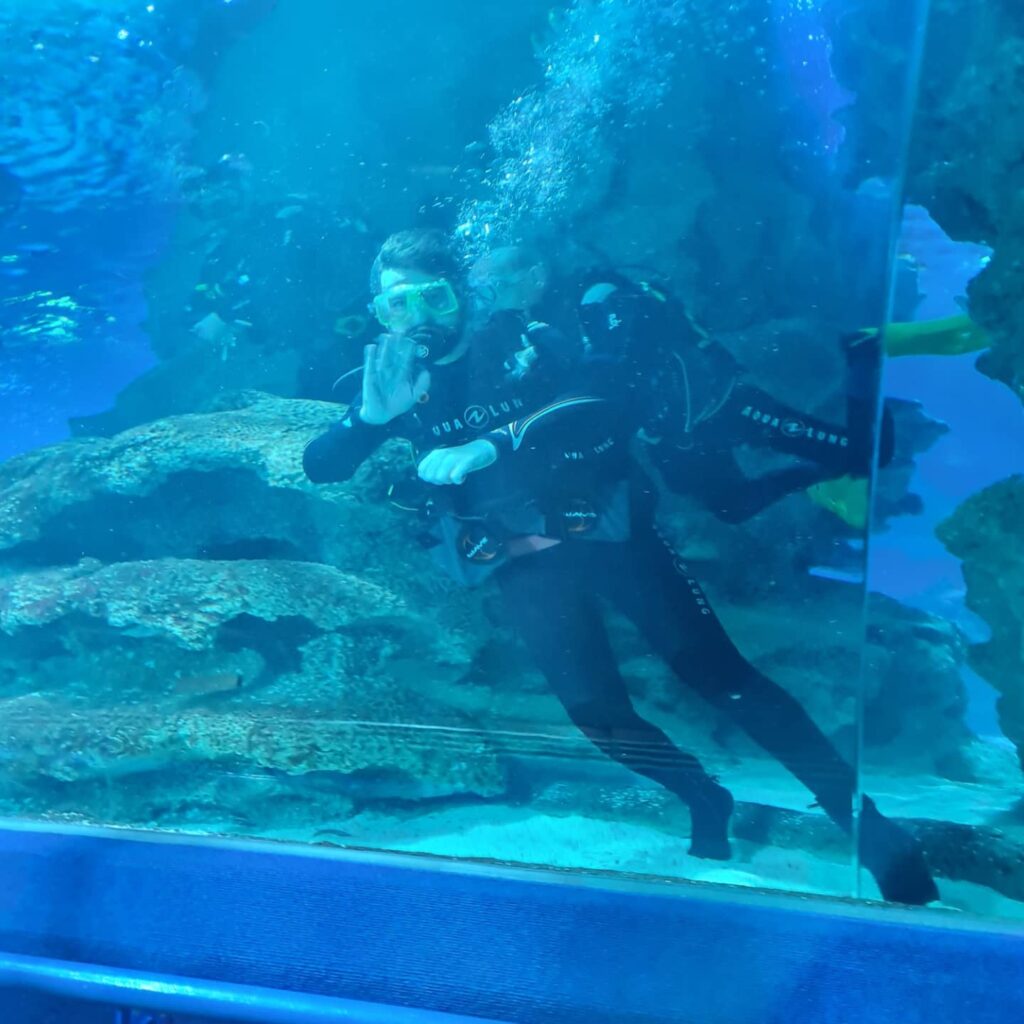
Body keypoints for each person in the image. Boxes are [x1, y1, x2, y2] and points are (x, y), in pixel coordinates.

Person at [303, 229, 939, 905]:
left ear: (463, 295)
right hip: (523, 566)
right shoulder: (394, 381)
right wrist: (371, 418)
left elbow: (604, 403)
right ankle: (702, 795)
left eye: (434, 296)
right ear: (381, 313)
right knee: (595, 712)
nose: (420, 318)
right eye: (398, 305)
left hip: (611, 537)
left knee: (722, 678)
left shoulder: (525, 342)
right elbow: (323, 465)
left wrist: (497, 442)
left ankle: (868, 829)